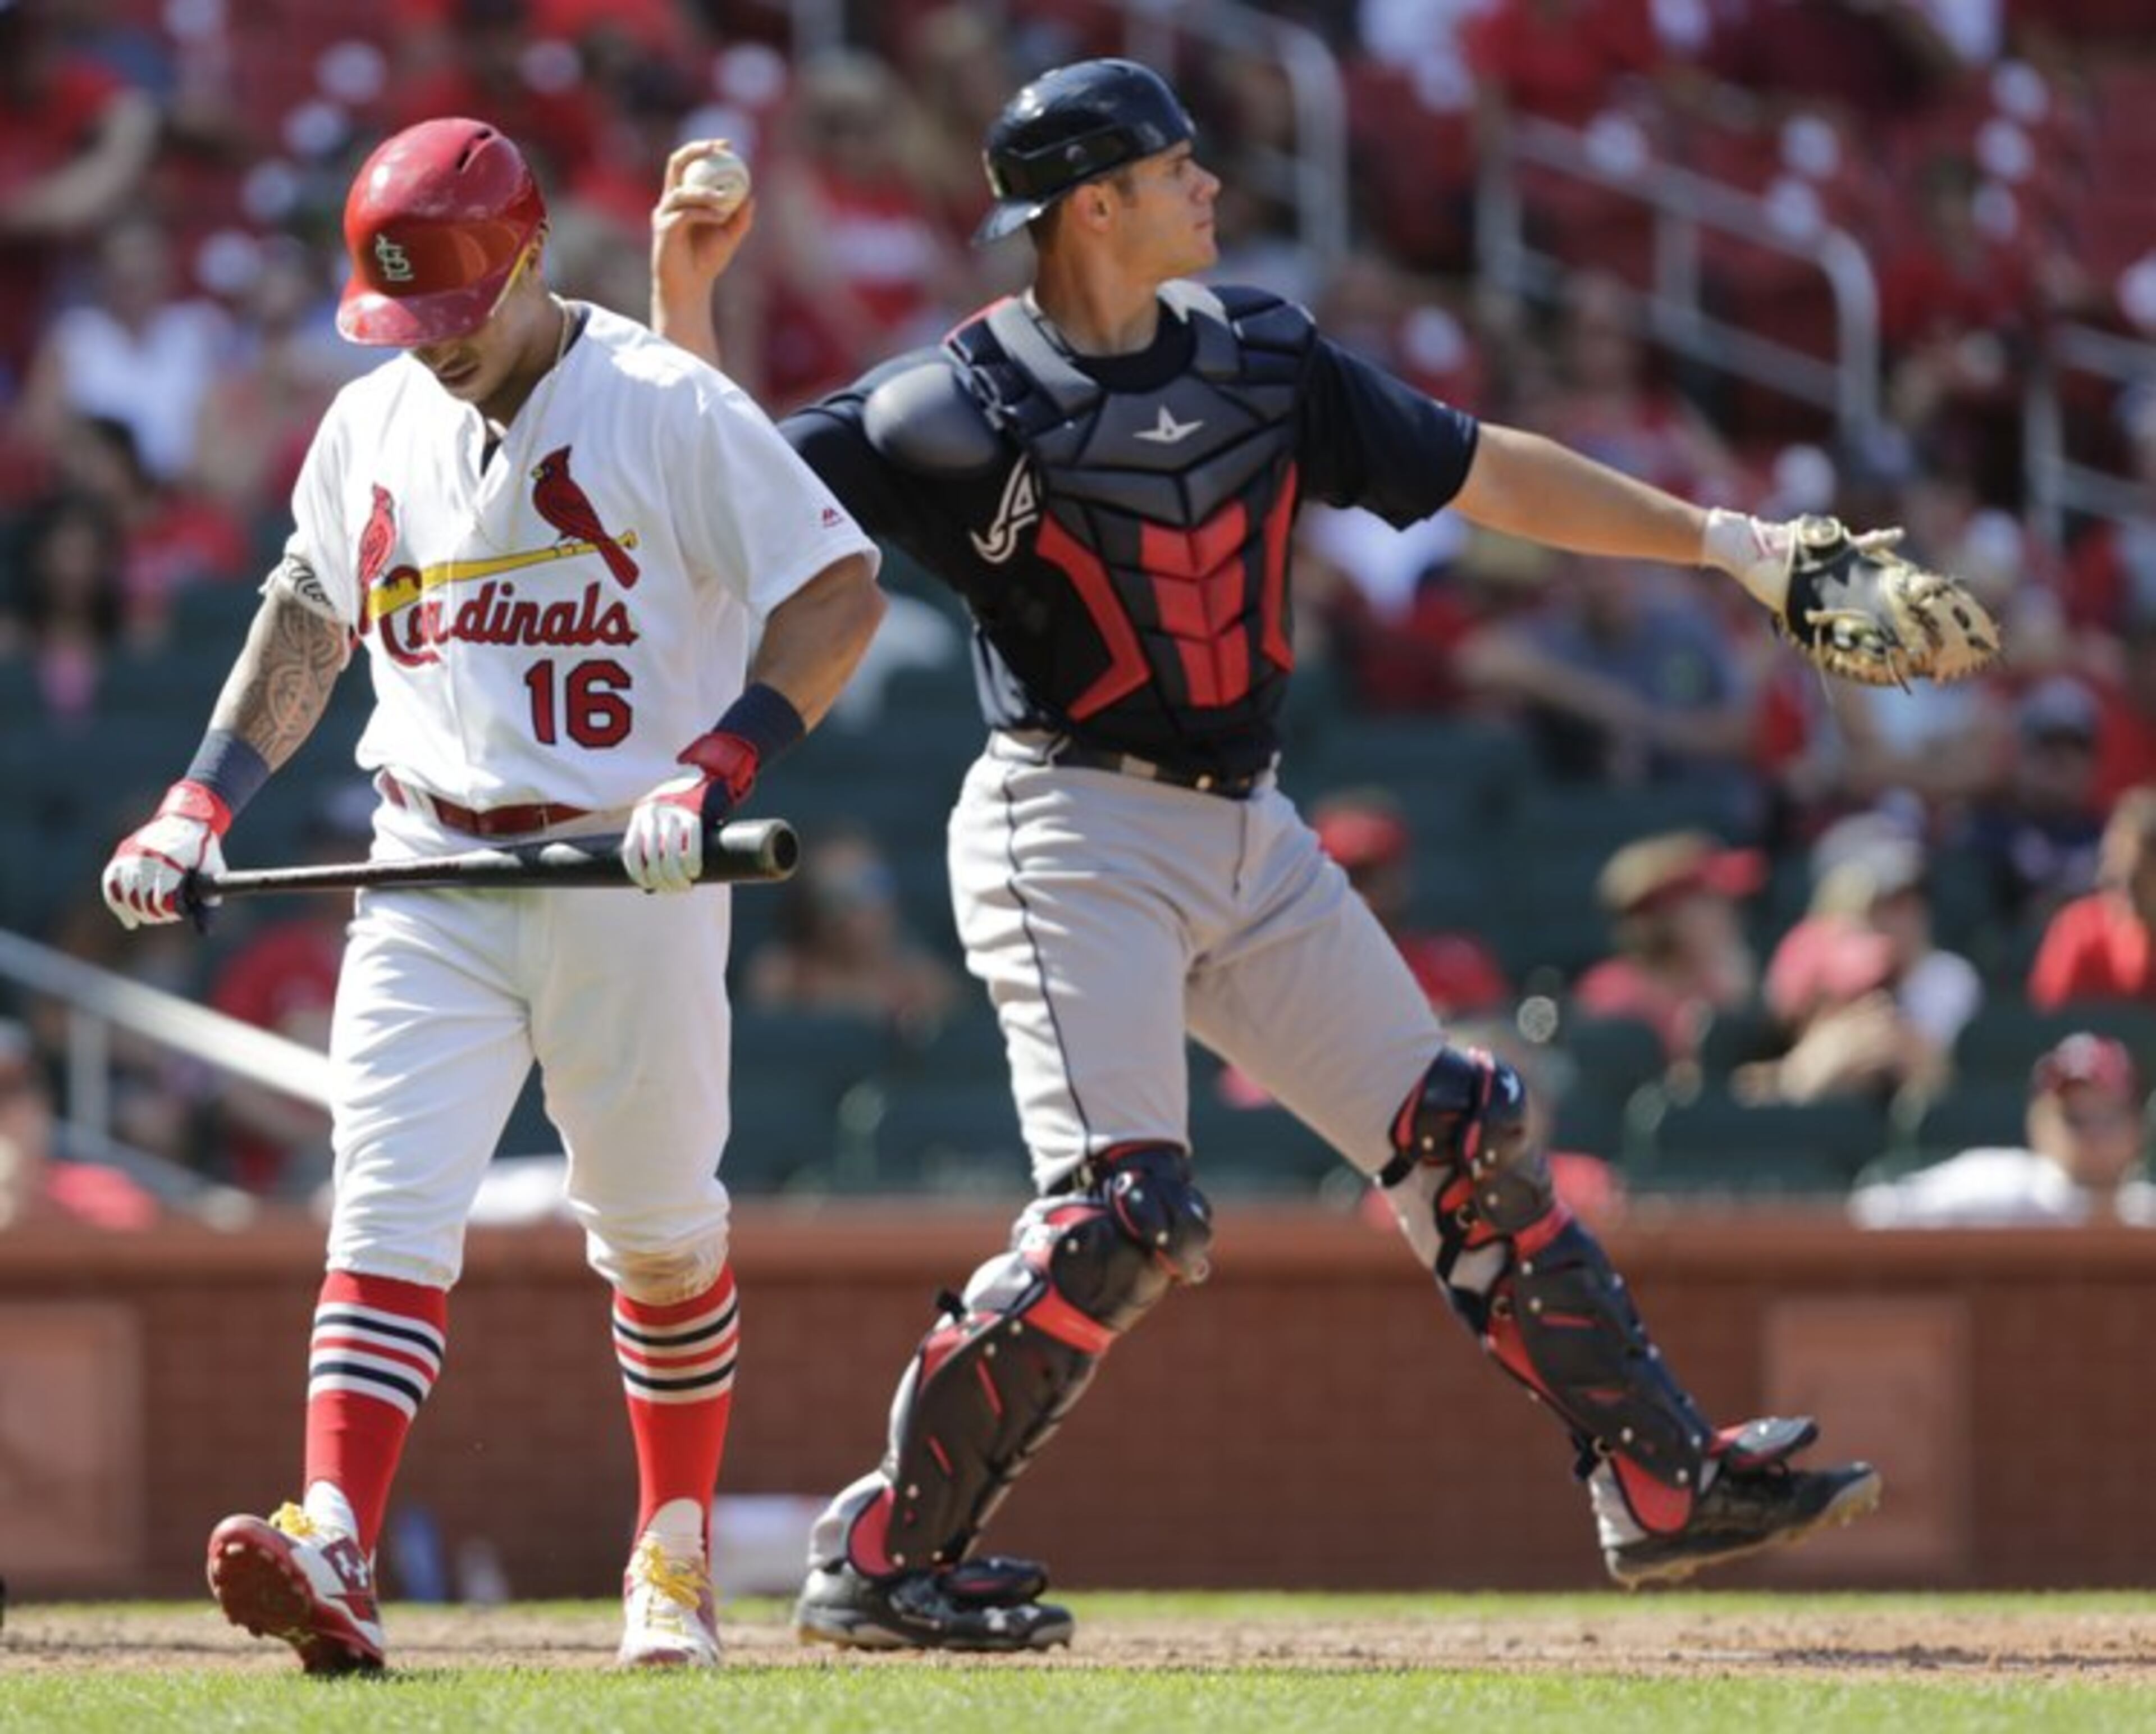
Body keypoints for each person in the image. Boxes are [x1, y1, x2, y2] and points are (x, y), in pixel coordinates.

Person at [652, 58, 1881, 1654]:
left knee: (1458, 1136)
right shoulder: (946, 401)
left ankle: (1660, 1484)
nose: (1210, 188)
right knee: (1124, 1217)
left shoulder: (1266, 353)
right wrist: (686, 293)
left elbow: (1487, 468)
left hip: (1251, 824)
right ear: (1095, 205)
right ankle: (883, 1558)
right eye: (1177, 169)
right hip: (1069, 827)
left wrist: (1733, 546)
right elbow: (719, 501)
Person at [98, 118, 884, 1674]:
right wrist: (200, 800)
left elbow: (836, 593)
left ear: (530, 261)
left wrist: (718, 763)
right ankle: (337, 1536)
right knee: (384, 1206)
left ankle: (672, 1550)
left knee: (657, 1233)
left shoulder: (664, 400)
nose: (433, 342)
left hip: (628, 857)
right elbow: (308, 614)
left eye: (455, 307)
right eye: (405, 315)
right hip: (430, 855)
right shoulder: (371, 417)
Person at [1850, 1032, 2156, 1228]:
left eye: (2107, 1118)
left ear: (2138, 1128)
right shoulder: (2000, 1187)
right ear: (2038, 1123)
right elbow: (1874, 1212)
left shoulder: (2145, 1211)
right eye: (2073, 1119)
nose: (2092, 1134)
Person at [2028, 785, 2156, 1010]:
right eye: (2114, 878)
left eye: (2137, 879)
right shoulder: (2079, 930)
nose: (2125, 893)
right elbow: (2050, 1018)